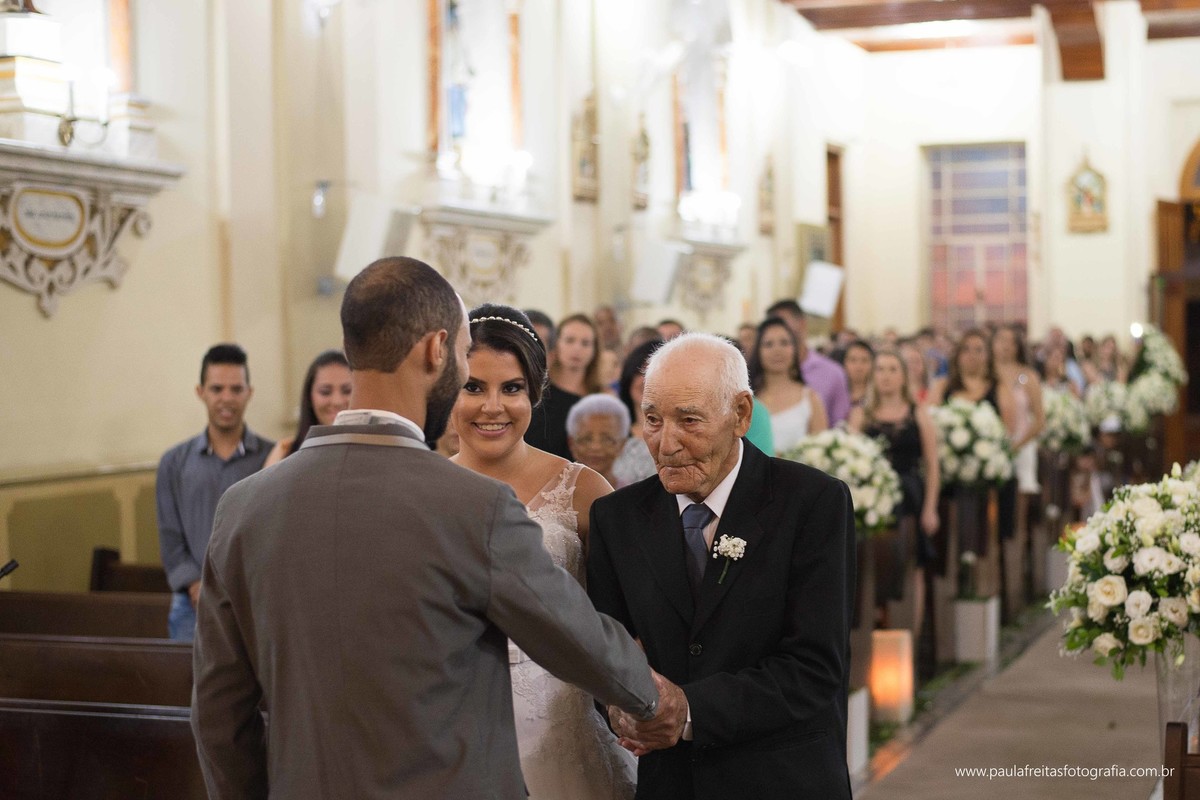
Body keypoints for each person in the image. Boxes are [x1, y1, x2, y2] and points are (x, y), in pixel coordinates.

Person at [191, 258, 675, 800]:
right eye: (465, 353)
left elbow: (217, 711)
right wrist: (658, 702)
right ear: (435, 350)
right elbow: (575, 637)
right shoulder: (472, 506)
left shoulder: (242, 507)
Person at [588, 333, 855, 800]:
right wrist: (619, 707)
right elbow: (602, 647)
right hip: (670, 784)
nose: (666, 444)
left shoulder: (810, 504)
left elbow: (815, 666)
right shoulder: (619, 518)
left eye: (688, 420)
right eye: (652, 420)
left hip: (783, 777)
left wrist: (689, 709)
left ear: (742, 415)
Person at [451, 305, 637, 798]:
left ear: (535, 391)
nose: (493, 406)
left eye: (511, 388)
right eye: (474, 387)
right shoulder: (424, 490)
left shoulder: (583, 489)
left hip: (563, 740)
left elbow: (626, 618)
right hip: (458, 740)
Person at [156, 343, 273, 641]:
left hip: (256, 601)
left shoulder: (273, 458)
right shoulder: (174, 463)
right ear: (201, 392)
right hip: (190, 606)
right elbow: (170, 535)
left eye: (236, 389)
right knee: (188, 686)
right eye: (217, 388)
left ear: (249, 392)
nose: (227, 399)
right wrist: (196, 585)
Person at [848, 349, 940, 628]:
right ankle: (872, 625)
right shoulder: (860, 414)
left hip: (910, 496)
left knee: (913, 565)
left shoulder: (918, 414)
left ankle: (909, 633)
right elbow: (851, 459)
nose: (885, 376)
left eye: (892, 370)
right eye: (880, 370)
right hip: (871, 499)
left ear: (903, 376)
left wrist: (931, 508)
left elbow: (933, 465)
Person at [525, 313, 602, 459]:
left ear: (594, 350)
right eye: (569, 340)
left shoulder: (600, 398)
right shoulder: (538, 393)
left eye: (585, 343)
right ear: (556, 344)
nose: (577, 349)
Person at [747, 317, 828, 454]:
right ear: (758, 351)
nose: (777, 350)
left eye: (784, 343)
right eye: (768, 344)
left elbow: (822, 450)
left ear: (794, 349)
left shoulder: (810, 398)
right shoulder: (747, 399)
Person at [766, 299, 851, 425]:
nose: (780, 332)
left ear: (802, 324)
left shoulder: (833, 373)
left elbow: (840, 426)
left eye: (783, 323)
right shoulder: (761, 377)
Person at [263, 350, 352, 467]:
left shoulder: (372, 450)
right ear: (309, 396)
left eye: (347, 391)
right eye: (325, 392)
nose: (337, 401)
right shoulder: (285, 452)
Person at [613, 339, 663, 489]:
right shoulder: (612, 433)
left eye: (653, 373)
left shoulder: (679, 435)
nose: (645, 381)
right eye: (639, 372)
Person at [567, 393, 631, 489]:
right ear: (571, 443)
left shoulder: (633, 497)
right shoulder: (554, 494)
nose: (596, 447)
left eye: (607, 439)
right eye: (586, 439)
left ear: (622, 445)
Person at [841, 339, 874, 412]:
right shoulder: (837, 394)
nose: (858, 366)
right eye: (853, 360)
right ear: (845, 363)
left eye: (864, 360)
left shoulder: (878, 396)